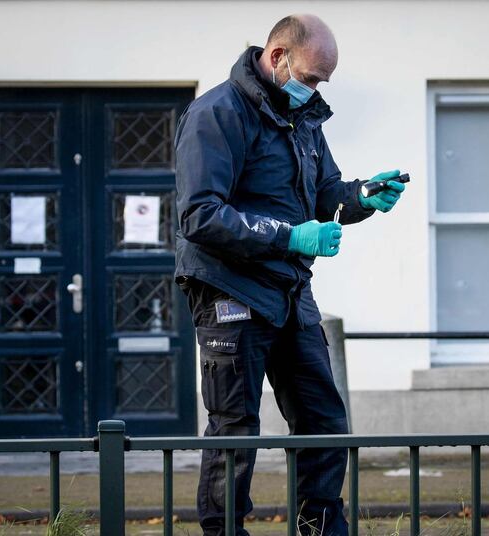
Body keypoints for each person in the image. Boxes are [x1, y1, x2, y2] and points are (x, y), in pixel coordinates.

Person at [173, 13, 407, 536]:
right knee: (235, 427)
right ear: (278, 57)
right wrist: (290, 236)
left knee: (323, 419)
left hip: (289, 290)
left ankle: (319, 528)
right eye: (313, 78)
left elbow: (326, 193)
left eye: (323, 82)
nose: (316, 89)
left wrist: (362, 195)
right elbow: (199, 215)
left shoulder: (301, 120)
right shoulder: (216, 113)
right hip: (228, 288)